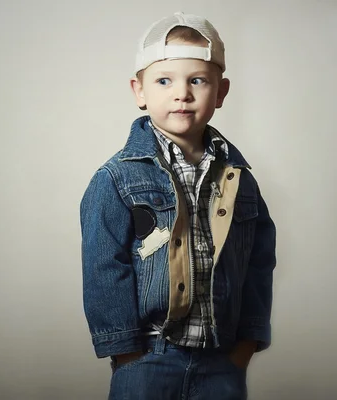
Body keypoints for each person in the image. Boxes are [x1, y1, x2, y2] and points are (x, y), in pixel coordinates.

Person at [79, 12, 277, 399]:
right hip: (149, 358)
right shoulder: (116, 178)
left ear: (221, 92)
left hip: (222, 360)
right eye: (164, 81)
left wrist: (246, 345)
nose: (181, 93)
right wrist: (126, 352)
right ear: (140, 91)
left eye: (197, 81)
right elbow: (104, 267)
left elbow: (259, 260)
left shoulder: (239, 179)